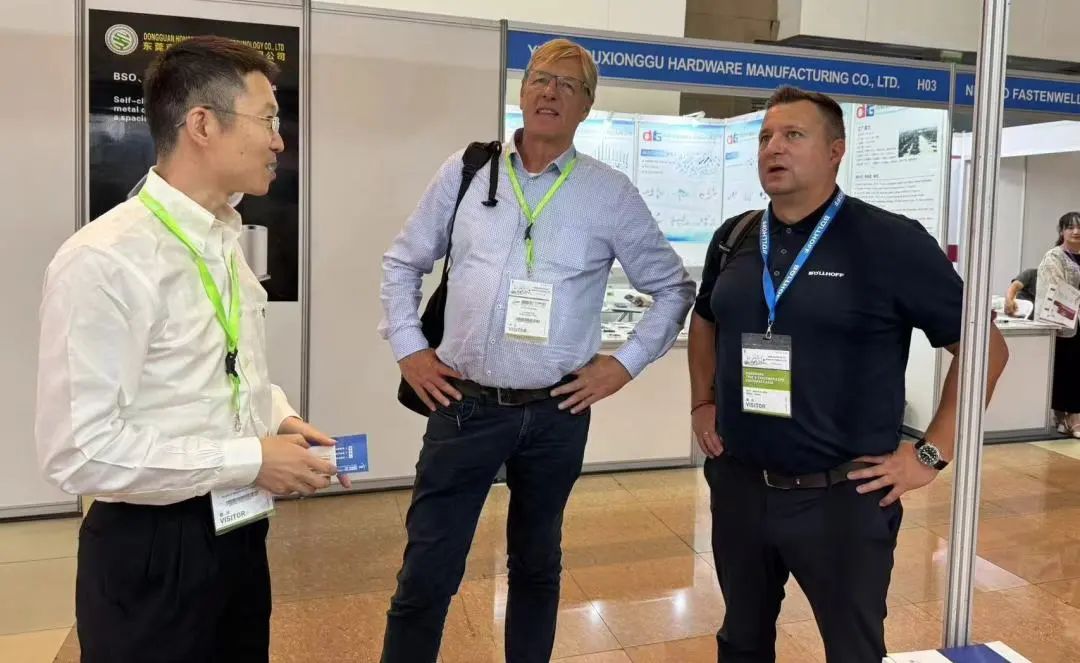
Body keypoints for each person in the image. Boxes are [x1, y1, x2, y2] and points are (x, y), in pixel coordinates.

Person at [378, 38, 695, 663]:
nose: (551, 92)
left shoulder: (609, 192)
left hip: (556, 413)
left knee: (537, 564)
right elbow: (403, 261)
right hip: (464, 406)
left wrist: (622, 365)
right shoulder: (467, 171)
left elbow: (672, 288)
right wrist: (410, 348)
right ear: (522, 92)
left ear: (587, 106)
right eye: (541, 79)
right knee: (427, 572)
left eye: (569, 85)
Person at [35, 36, 347, 662]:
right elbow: (79, 450)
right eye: (268, 120)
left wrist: (277, 416)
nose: (279, 142)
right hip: (151, 549)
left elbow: (219, 368)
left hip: (238, 527)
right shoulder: (104, 260)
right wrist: (247, 459)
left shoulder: (225, 239)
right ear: (202, 124)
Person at [687, 86, 1009, 663]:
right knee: (741, 641)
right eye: (765, 137)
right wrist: (701, 402)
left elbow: (986, 349)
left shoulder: (889, 241)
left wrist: (931, 453)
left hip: (842, 496)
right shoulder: (736, 237)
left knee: (852, 649)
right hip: (740, 486)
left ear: (836, 151)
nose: (773, 148)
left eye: (793, 135)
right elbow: (706, 318)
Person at [1036, 211, 1080, 437]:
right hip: (1065, 324)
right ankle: (1068, 417)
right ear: (1062, 231)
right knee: (1067, 370)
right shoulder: (1054, 257)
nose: (1076, 231)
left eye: (1079, 227)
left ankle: (1069, 418)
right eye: (1070, 227)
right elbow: (1056, 288)